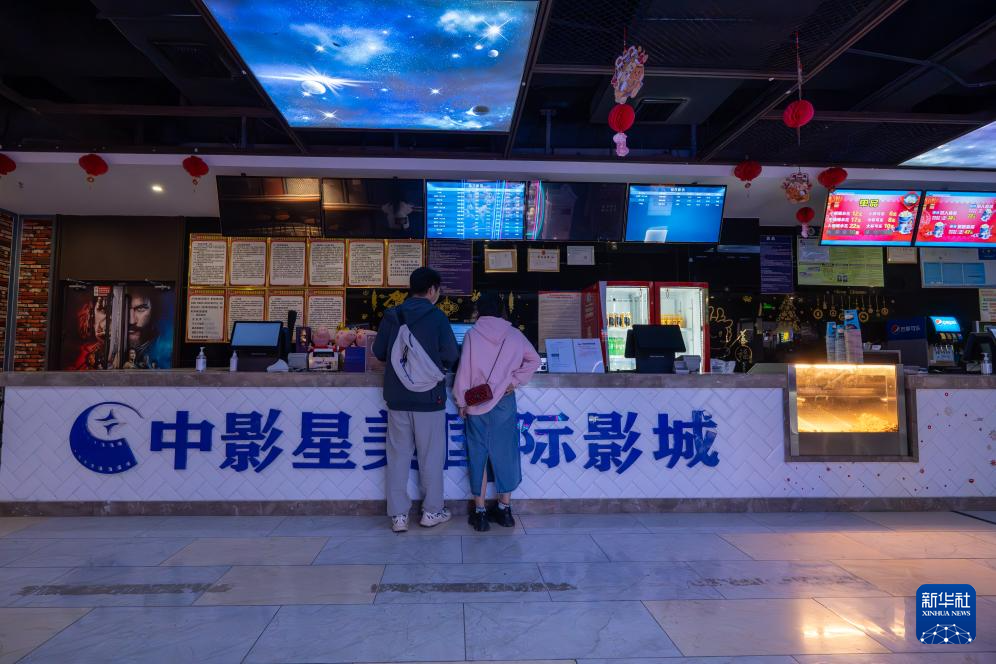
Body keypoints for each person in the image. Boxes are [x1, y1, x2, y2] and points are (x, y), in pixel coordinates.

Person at [373, 267, 459, 532]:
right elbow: (451, 355)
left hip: (398, 398)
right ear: (432, 290)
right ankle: (432, 512)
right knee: (431, 458)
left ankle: (399, 516)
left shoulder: (392, 315)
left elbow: (379, 351)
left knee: (397, 457)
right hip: (430, 400)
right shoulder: (438, 317)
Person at [453, 293, 540, 531]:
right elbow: (534, 360)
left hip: (477, 403)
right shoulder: (514, 334)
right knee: (506, 453)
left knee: (478, 454)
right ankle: (505, 510)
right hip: (504, 401)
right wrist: (514, 381)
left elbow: (464, 371)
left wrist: (461, 402)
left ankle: (480, 513)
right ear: (502, 310)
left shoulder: (472, 335)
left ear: (479, 310)